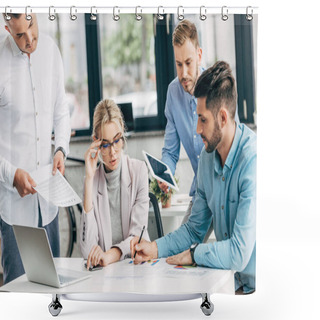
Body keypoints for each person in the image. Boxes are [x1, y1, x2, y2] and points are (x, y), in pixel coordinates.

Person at [131, 61, 256, 294]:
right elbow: (193, 230)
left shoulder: (252, 161)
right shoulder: (207, 159)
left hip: (257, 290)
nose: (197, 129)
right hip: (229, 285)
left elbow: (239, 253)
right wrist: (154, 248)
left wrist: (194, 254)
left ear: (222, 117)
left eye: (203, 119)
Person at [0, 14, 70, 284]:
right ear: (7, 29)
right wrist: (11, 175)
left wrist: (61, 149)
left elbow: (61, 111)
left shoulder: (51, 51)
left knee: (54, 291)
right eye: (19, 35)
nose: (30, 40)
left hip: (48, 202)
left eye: (31, 26)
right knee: (18, 295)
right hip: (14, 207)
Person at [159, 19, 238, 239]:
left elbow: (234, 143)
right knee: (181, 253)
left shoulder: (218, 87)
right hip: (201, 192)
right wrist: (165, 177)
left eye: (188, 62)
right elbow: (170, 151)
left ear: (199, 55)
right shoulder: (172, 94)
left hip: (228, 189)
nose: (183, 73)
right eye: (178, 64)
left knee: (233, 256)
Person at [80, 99, 149, 269]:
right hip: (106, 274)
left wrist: (109, 255)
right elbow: (87, 249)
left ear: (123, 136)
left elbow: (136, 237)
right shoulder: (92, 181)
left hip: (137, 267)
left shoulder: (139, 171)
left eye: (117, 140)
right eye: (105, 144)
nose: (113, 152)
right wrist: (89, 178)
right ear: (96, 143)